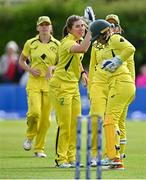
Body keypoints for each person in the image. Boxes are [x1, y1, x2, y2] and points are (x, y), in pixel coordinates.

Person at [88, 19, 136, 169]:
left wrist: (118, 60)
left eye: (99, 37)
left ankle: (113, 157)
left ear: (104, 33)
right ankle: (114, 158)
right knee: (111, 121)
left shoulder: (114, 38)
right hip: (119, 85)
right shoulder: (105, 44)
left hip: (121, 84)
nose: (99, 42)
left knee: (109, 120)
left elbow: (131, 48)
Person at [47, 15, 91, 168]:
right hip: (60, 86)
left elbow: (77, 59)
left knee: (75, 124)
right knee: (65, 124)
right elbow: (83, 49)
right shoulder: (67, 42)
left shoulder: (77, 41)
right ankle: (61, 159)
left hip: (73, 86)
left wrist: (82, 73)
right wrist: (92, 31)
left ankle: (72, 157)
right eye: (78, 26)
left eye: (83, 26)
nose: (82, 28)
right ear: (69, 29)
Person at [19, 16, 60, 158]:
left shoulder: (57, 44)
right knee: (34, 113)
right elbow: (21, 60)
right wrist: (30, 70)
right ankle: (30, 137)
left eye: (47, 25)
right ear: (37, 28)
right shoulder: (31, 43)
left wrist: (52, 68)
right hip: (34, 82)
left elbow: (63, 63)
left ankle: (39, 148)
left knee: (46, 119)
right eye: (41, 25)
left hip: (50, 84)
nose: (44, 27)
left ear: (51, 28)